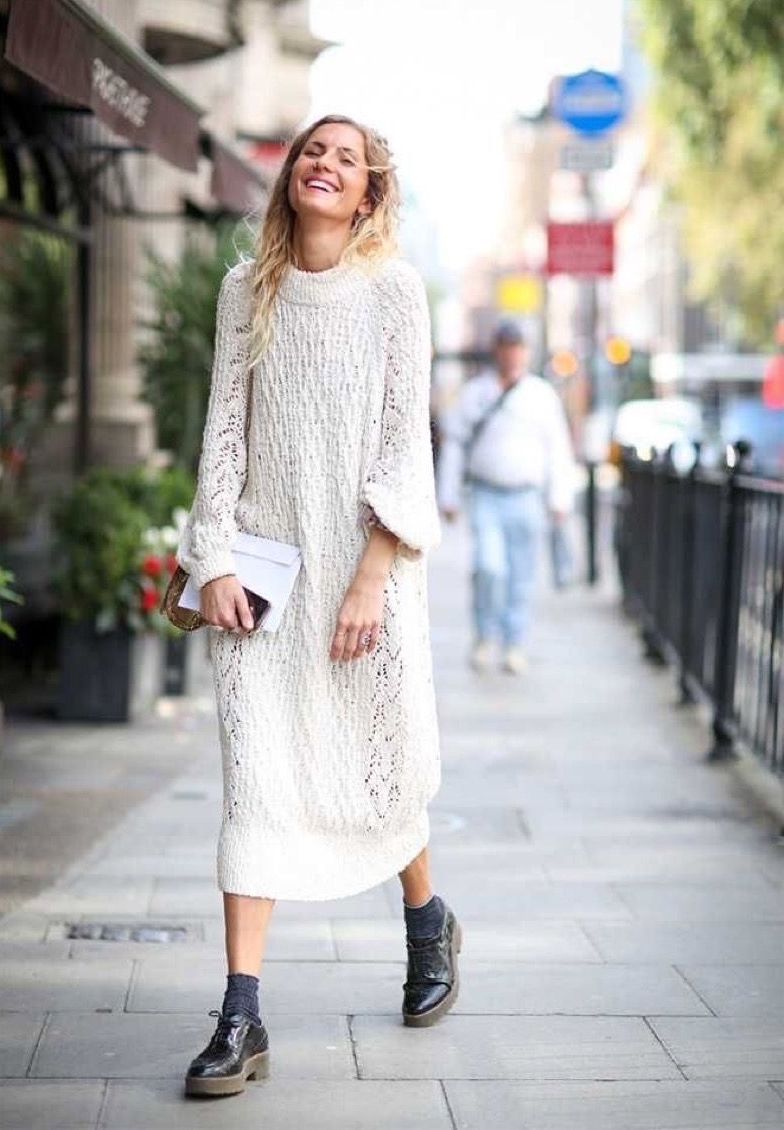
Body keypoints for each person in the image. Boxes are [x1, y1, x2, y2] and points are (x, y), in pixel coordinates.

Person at [176, 115, 462, 1099]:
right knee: (254, 779)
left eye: (346, 158)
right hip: (264, 575)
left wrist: (372, 577)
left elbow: (406, 443)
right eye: (312, 150)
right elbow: (223, 425)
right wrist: (213, 556)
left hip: (364, 571)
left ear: (369, 193)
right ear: (291, 174)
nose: (324, 164)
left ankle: (426, 922)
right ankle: (240, 1014)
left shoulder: (393, 291)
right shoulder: (244, 289)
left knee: (376, 767)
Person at [436, 320, 575, 673]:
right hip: (486, 493)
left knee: (521, 573)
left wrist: (560, 497)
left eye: (517, 347)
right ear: (497, 350)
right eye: (506, 346)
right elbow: (455, 445)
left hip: (527, 495)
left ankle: (514, 641)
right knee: (489, 567)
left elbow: (557, 447)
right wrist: (447, 494)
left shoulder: (540, 395)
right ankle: (485, 635)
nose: (512, 354)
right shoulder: (475, 393)